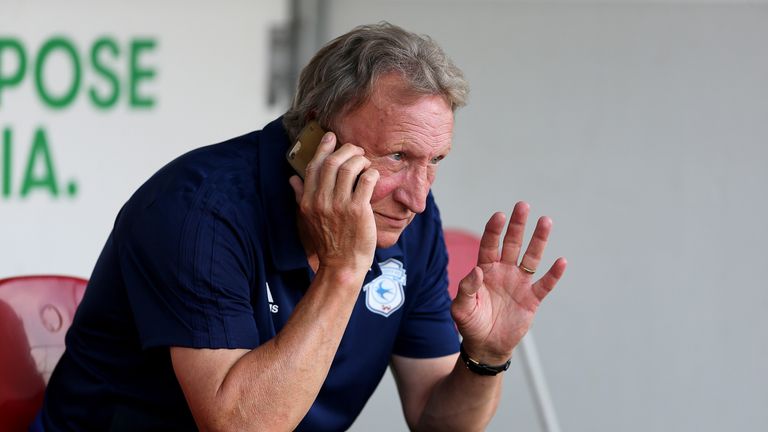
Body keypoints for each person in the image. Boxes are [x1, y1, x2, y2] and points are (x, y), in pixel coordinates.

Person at [41, 22, 567, 431]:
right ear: (315, 135)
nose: (417, 196)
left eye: (435, 160)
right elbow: (239, 427)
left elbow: (436, 418)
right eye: (397, 156)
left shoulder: (409, 219)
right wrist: (343, 270)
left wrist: (485, 357)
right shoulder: (198, 212)